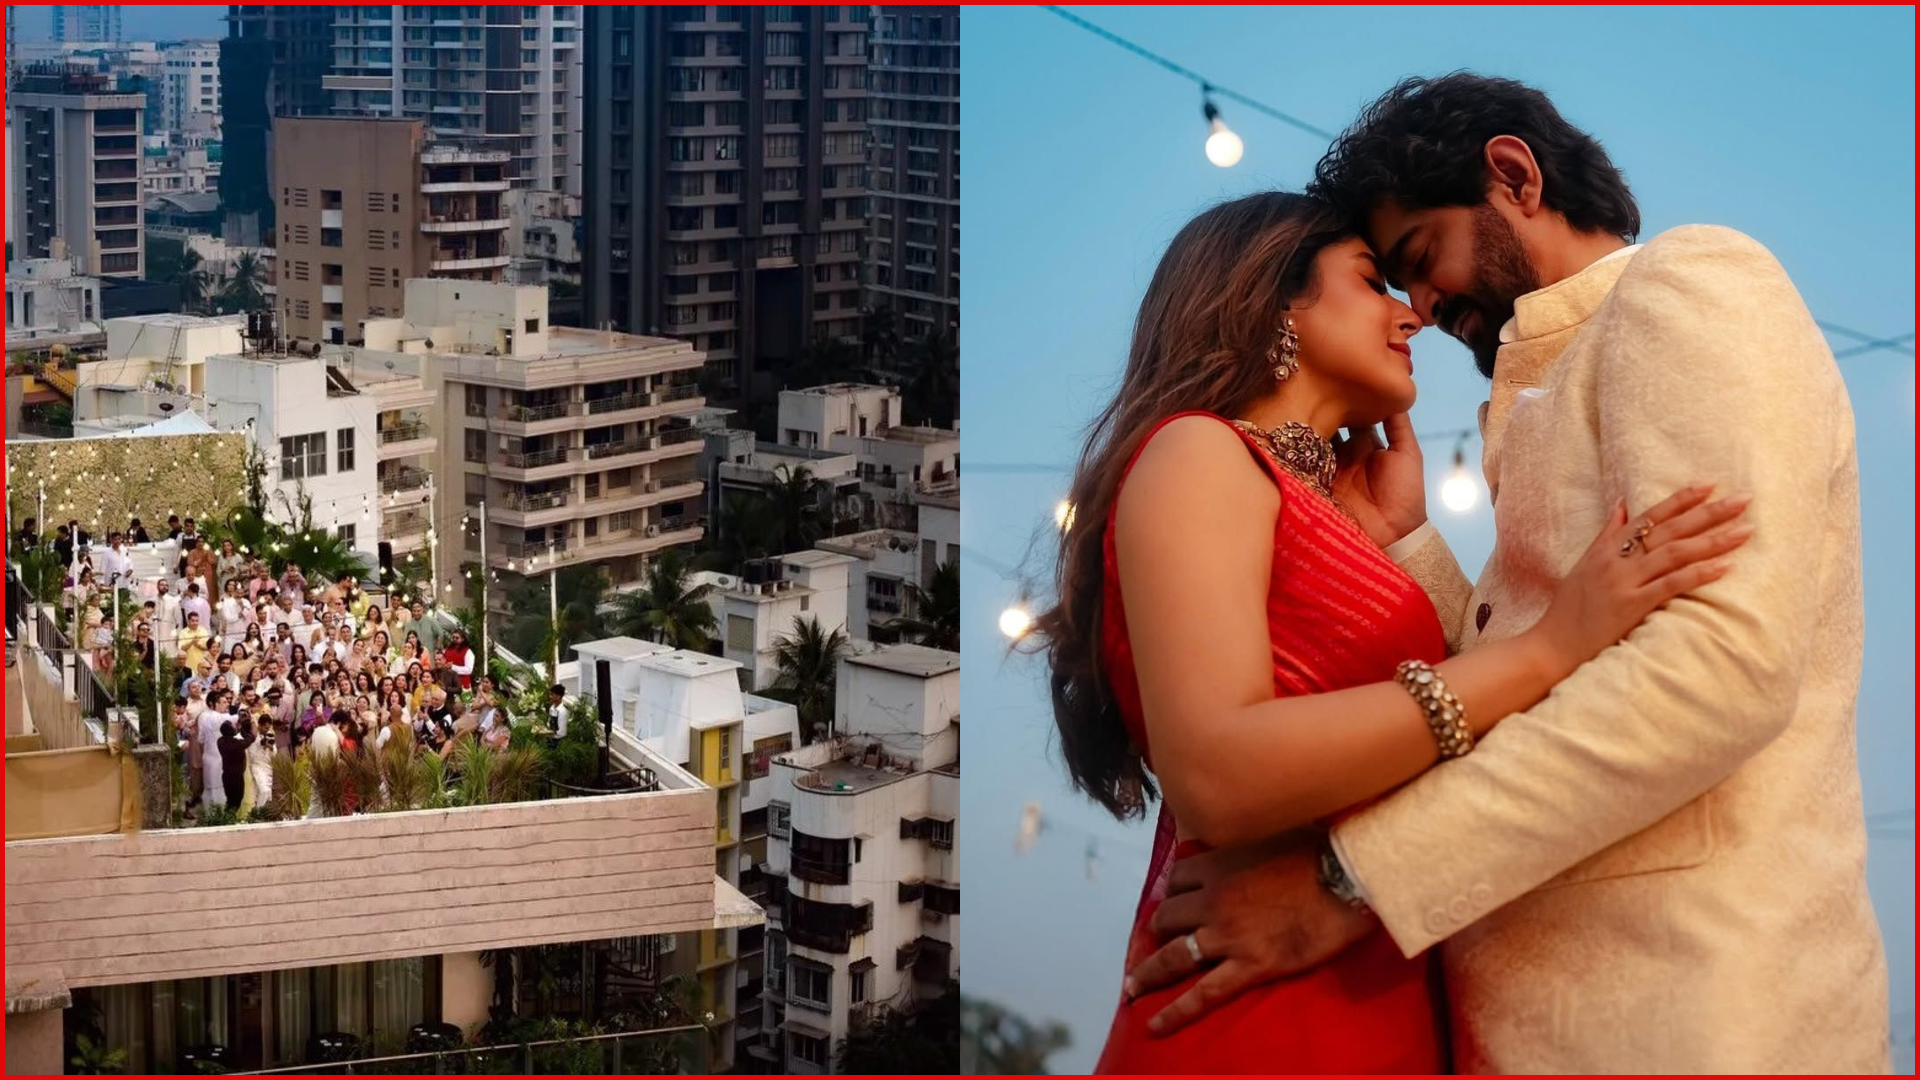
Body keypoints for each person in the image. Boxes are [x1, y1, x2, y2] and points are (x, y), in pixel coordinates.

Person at [1121, 76, 1888, 1074]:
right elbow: (1550, 667)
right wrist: (1410, 545)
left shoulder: (1691, 283)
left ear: (1515, 176)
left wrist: (1351, 883)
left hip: (1693, 1014)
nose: (1427, 310)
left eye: (1418, 258)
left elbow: (1718, 667)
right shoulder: (1542, 386)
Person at [1026, 190, 1751, 1075]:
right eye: (1372, 281)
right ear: (1271, 301)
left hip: (1371, 983)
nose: (1411, 314)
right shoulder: (1198, 452)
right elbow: (1217, 766)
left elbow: (1430, 741)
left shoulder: (1312, 506)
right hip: (1263, 1012)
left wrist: (1397, 537)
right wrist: (1551, 647)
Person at [217, 716, 256, 810]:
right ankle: (229, 820)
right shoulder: (237, 744)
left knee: (230, 800)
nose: (235, 728)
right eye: (233, 727)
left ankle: (227, 818)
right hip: (236, 777)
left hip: (226, 775)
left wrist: (239, 730)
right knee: (236, 801)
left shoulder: (220, 741)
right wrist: (245, 731)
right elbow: (251, 739)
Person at [178, 611, 214, 676]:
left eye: (197, 621)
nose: (195, 623)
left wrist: (198, 646)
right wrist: (192, 642)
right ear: (188, 621)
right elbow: (182, 648)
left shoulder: (203, 631)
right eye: (193, 621)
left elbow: (208, 647)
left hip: (202, 666)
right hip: (189, 666)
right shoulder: (183, 632)